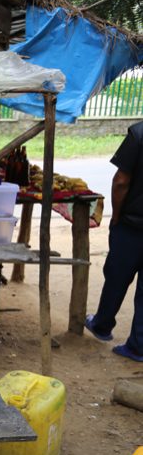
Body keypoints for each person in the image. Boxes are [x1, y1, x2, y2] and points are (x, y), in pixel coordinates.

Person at [86, 121, 143, 362]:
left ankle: (102, 324)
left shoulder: (139, 133)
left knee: (117, 276)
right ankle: (138, 346)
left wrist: (116, 216)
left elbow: (121, 180)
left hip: (132, 224)